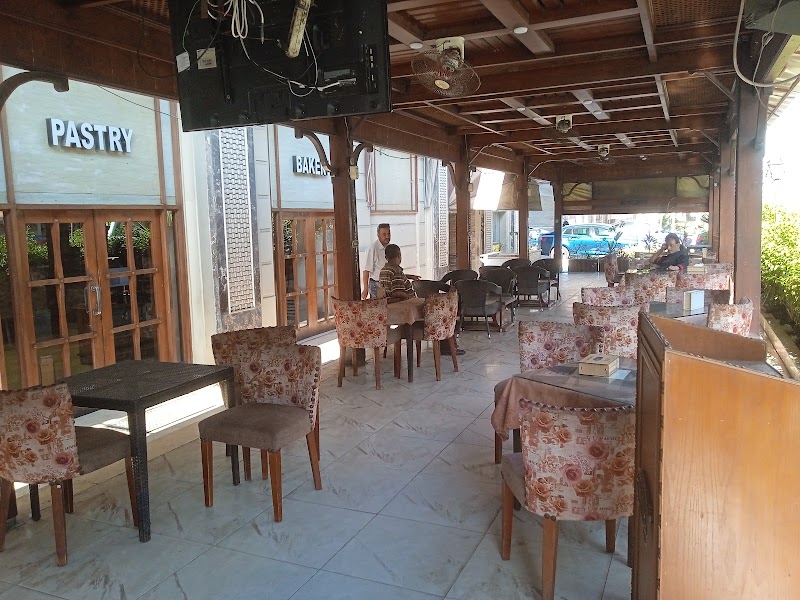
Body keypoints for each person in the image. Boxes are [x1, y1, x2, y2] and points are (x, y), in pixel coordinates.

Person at [362, 223, 391, 300]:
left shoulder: (390, 247)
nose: (387, 236)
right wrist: (365, 289)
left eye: (388, 234)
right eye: (384, 234)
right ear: (378, 235)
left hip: (388, 285)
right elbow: (366, 270)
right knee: (377, 306)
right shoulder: (372, 249)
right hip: (376, 284)